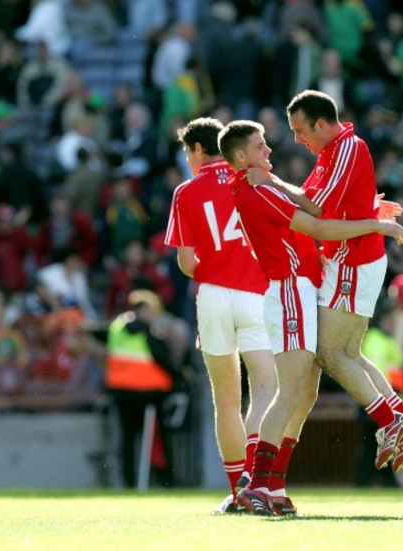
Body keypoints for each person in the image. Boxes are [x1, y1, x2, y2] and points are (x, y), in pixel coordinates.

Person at [218, 119, 403, 515]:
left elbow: (310, 206)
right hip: (290, 291)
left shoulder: (261, 187)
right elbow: (318, 223)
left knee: (303, 396)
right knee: (290, 393)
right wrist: (375, 225)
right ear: (240, 158)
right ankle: (257, 484)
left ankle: (272, 487)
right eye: (259, 147)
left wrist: (369, 209)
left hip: (299, 289)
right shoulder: (257, 190)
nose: (268, 151)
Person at [252, 89, 403, 475]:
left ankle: (391, 421)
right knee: (347, 351)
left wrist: (270, 182)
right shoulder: (334, 151)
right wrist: (369, 210)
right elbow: (322, 199)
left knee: (330, 353)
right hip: (352, 260)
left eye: (301, 131)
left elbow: (315, 208)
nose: (299, 140)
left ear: (321, 123)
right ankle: (399, 415)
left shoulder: (347, 148)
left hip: (351, 261)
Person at [163, 117, 277, 512]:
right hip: (256, 294)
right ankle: (255, 482)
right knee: (265, 388)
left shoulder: (186, 191)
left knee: (225, 399)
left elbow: (187, 262)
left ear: (197, 149)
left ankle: (235, 492)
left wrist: (216, 266)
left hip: (212, 297)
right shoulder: (252, 177)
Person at [104, 289, 179, 488]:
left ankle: (128, 481)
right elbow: (163, 359)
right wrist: (178, 375)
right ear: (144, 309)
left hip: (120, 391)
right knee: (156, 438)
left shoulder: (116, 327)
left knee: (127, 439)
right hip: (149, 393)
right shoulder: (148, 331)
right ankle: (164, 480)